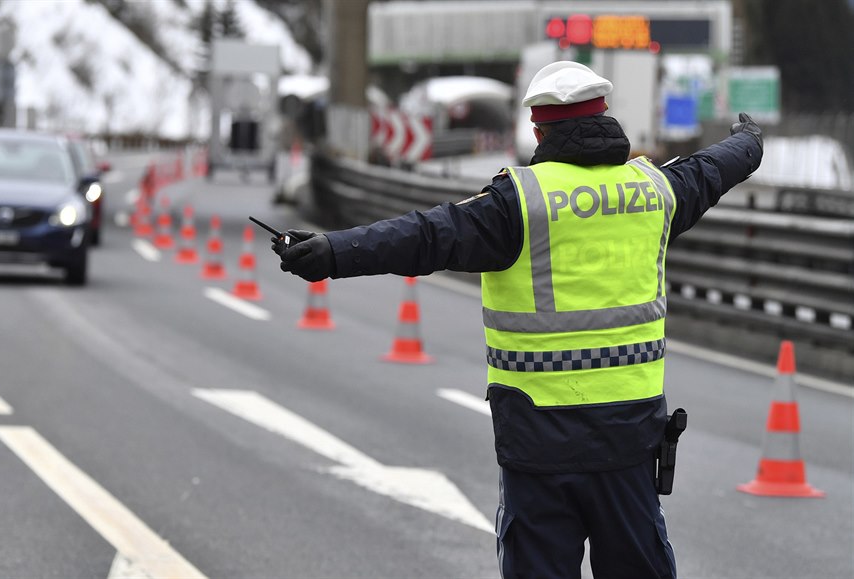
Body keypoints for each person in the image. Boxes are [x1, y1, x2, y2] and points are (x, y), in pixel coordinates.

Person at [272, 61, 763, 579]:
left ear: (538, 128)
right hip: (630, 442)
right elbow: (715, 168)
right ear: (605, 116)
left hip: (539, 447)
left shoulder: (518, 204)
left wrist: (331, 252)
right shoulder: (655, 190)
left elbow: (423, 236)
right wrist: (749, 141)